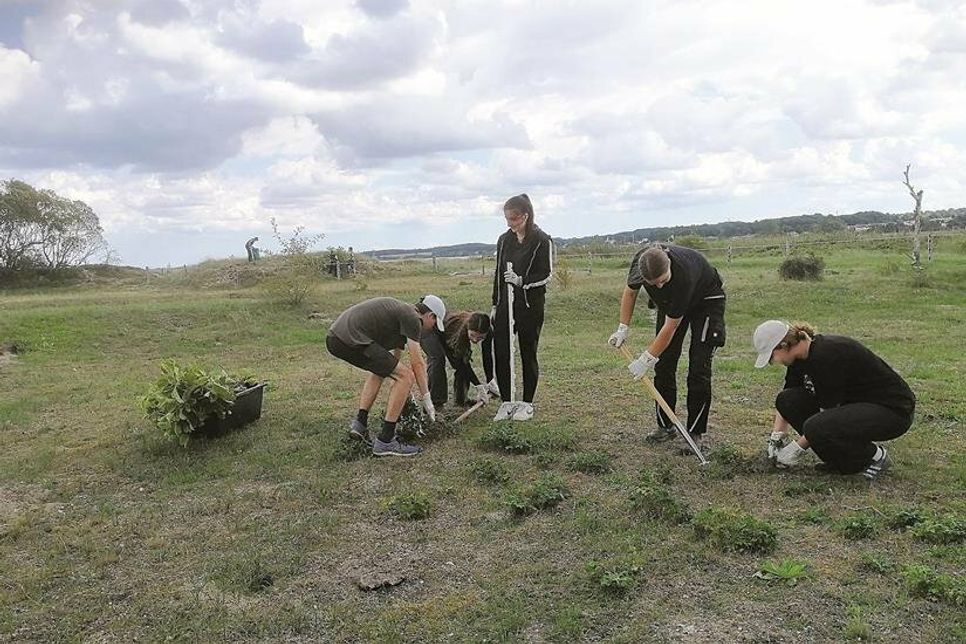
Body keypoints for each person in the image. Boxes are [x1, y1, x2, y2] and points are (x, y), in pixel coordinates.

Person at [752, 320, 915, 480]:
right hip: (854, 406)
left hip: (892, 411)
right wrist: (777, 436)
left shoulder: (828, 354)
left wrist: (797, 448)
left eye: (772, 357)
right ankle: (845, 463)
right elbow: (786, 395)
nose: (774, 362)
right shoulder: (798, 360)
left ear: (784, 345)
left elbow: (825, 418)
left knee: (817, 426)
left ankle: (875, 456)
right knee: (787, 400)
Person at [608, 243, 726, 449]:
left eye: (662, 281)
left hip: (706, 300)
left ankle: (695, 433)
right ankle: (666, 427)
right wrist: (622, 328)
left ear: (669, 265)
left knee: (699, 367)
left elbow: (671, 327)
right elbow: (630, 293)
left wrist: (646, 359)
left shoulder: (683, 275)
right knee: (663, 365)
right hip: (672, 304)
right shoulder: (640, 265)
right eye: (653, 284)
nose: (659, 287)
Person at [326, 295, 446, 456]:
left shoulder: (403, 313)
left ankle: (359, 424)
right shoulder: (413, 319)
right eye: (434, 324)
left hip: (336, 337)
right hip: (349, 337)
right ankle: (386, 440)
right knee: (406, 376)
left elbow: (392, 363)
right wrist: (427, 399)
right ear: (430, 315)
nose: (432, 328)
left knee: (383, 371)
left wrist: (401, 387)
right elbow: (417, 363)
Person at [490, 193, 554, 421]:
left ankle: (526, 403)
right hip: (505, 304)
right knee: (502, 350)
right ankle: (507, 401)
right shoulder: (504, 240)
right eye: (507, 219)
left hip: (530, 305)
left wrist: (521, 281)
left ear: (525, 216)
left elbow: (546, 274)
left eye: (514, 219)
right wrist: (495, 303)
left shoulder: (541, 240)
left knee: (528, 351)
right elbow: (498, 274)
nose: (510, 224)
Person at [420, 311, 494, 409]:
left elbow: (487, 356)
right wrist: (478, 386)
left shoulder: (489, 332)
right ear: (468, 328)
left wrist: (490, 382)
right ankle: (436, 402)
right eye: (472, 335)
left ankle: (462, 400)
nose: (476, 340)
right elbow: (462, 365)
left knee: (464, 361)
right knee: (437, 359)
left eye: (480, 337)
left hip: (447, 336)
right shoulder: (460, 333)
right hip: (431, 329)